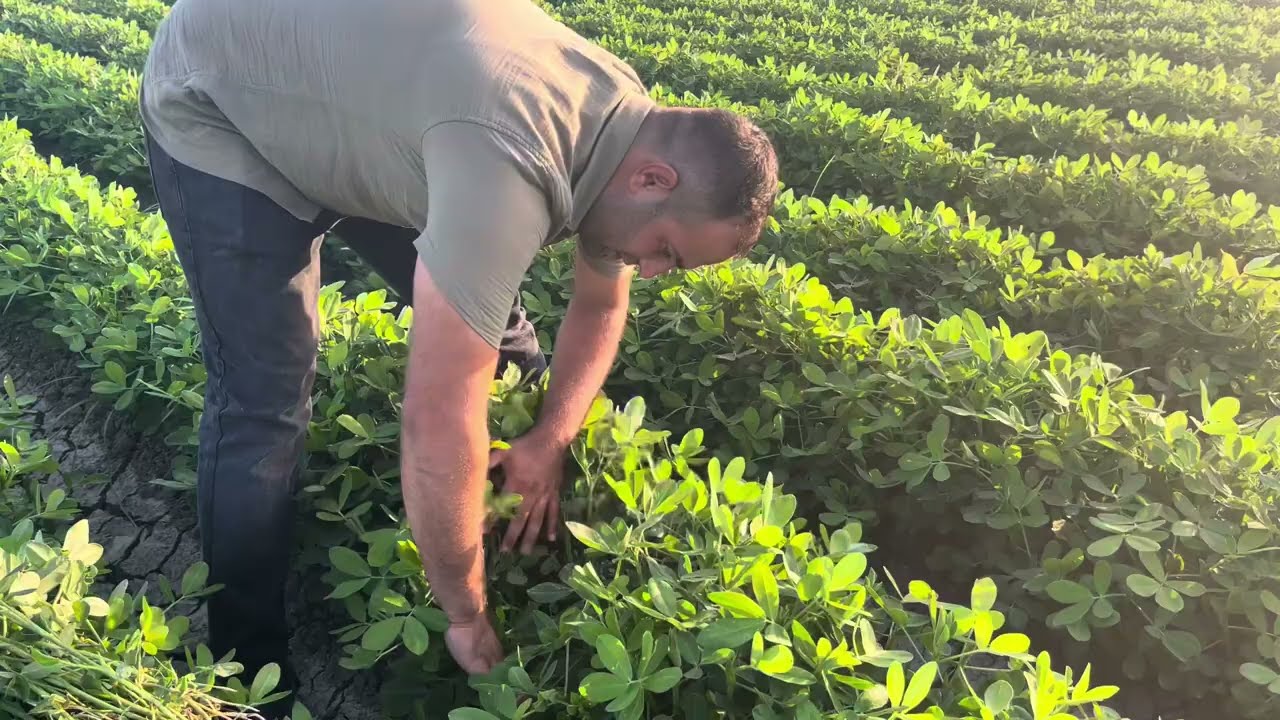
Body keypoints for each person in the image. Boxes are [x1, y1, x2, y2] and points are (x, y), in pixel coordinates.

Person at [138, 0, 779, 715]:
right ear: (654, 180)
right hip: (224, 95)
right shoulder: (509, 160)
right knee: (265, 404)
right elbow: (438, 424)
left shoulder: (623, 139)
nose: (652, 269)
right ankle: (247, 678)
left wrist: (549, 439)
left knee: (509, 353)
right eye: (665, 250)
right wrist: (465, 615)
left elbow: (601, 306)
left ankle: (524, 547)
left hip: (369, 108)